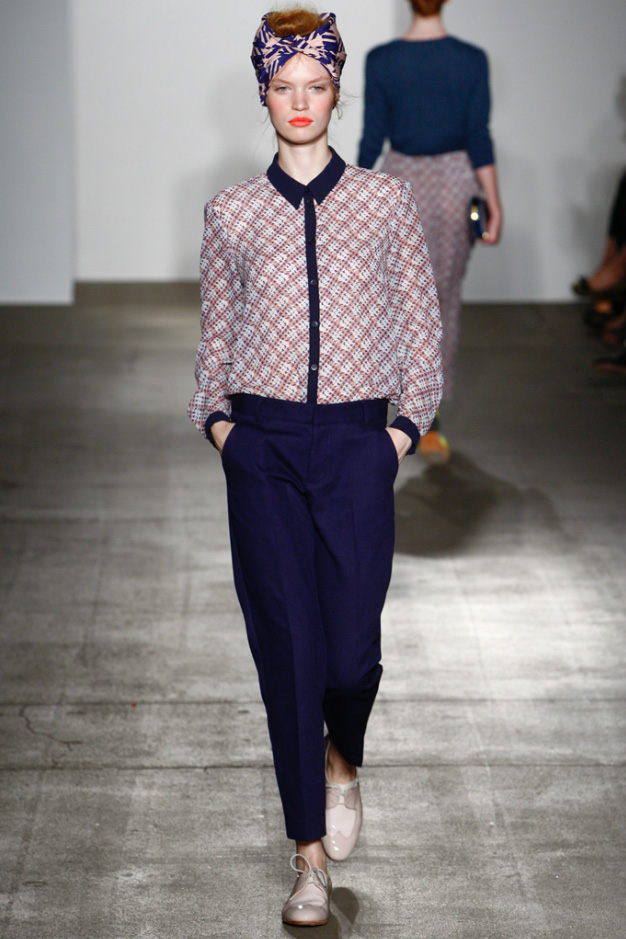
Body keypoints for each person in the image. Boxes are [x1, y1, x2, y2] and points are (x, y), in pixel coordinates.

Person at [188, 8, 442, 927]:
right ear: (264, 94)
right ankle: (307, 858)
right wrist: (225, 430)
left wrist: (397, 437)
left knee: (350, 649)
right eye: (284, 86)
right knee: (288, 652)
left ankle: (344, 756)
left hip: (355, 446)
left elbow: (421, 331)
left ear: (339, 93)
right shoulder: (232, 213)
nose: (300, 102)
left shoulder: (384, 202)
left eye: (317, 86)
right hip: (262, 448)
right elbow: (213, 346)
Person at [358, 0, 502, 464]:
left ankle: (391, 406)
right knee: (443, 300)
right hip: (455, 184)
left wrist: (349, 197)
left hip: (399, 180)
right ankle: (427, 416)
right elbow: (478, 135)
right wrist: (494, 202)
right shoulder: (470, 59)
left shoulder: (382, 60)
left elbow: (371, 138)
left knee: (391, 298)